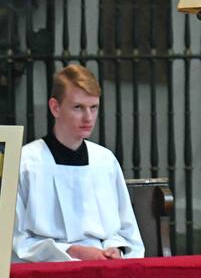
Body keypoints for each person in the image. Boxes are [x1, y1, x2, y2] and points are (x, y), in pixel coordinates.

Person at [12, 65, 144, 262]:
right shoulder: (26, 163)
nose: (88, 118)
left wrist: (116, 250)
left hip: (105, 271)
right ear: (55, 107)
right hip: (52, 272)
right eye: (78, 107)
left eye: (93, 107)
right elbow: (16, 242)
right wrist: (72, 251)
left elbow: (128, 233)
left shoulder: (105, 161)